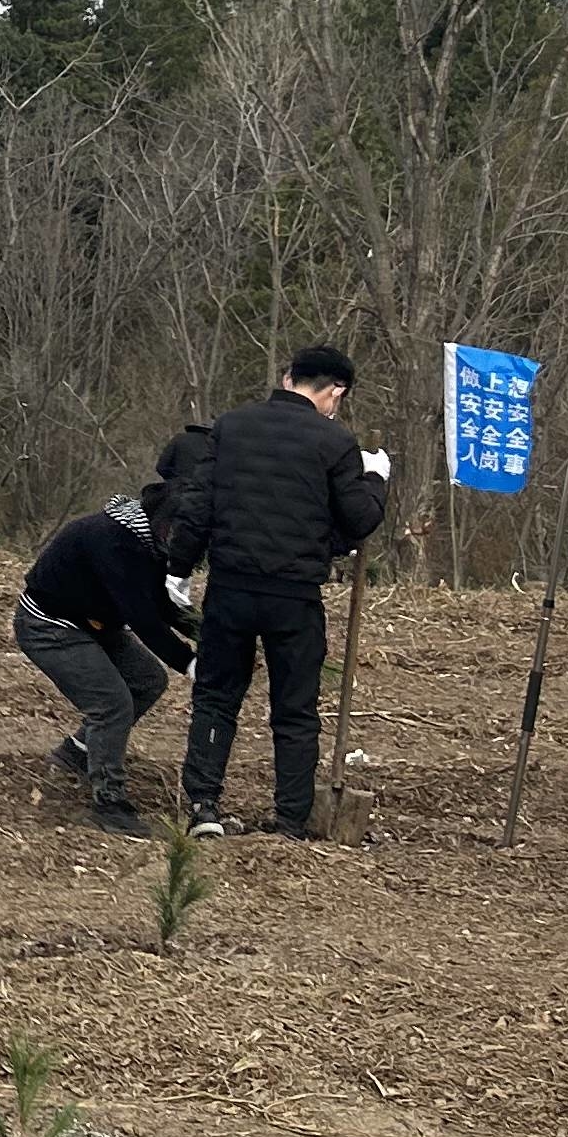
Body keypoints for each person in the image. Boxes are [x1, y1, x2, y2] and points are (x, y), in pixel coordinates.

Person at [166, 342, 391, 839]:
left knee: (216, 697)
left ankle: (204, 805)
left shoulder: (231, 427)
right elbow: (358, 521)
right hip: (294, 597)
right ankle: (291, 819)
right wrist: (376, 479)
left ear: (289, 377)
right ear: (335, 391)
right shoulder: (335, 443)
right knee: (294, 709)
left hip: (230, 587)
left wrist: (179, 569)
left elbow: (198, 506)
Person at [13, 466, 198, 838]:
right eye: (177, 533)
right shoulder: (112, 541)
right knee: (112, 705)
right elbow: (143, 617)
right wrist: (190, 663)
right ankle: (108, 804)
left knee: (147, 681)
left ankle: (78, 751)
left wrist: (209, 632)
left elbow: (161, 602)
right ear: (162, 522)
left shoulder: (149, 542)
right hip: (49, 625)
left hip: (95, 623)